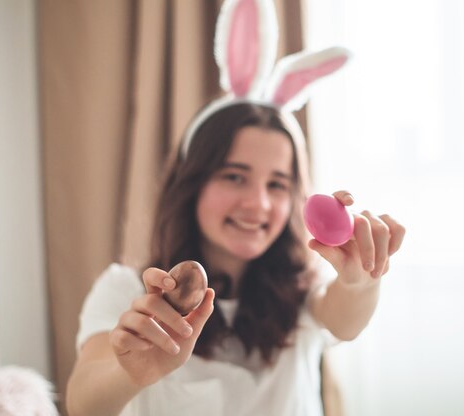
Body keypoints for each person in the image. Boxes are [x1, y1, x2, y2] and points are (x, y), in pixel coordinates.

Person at [66, 1, 405, 415]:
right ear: (192, 183)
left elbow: (344, 319)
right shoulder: (128, 292)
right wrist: (130, 374)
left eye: (278, 184)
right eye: (234, 176)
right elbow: (83, 404)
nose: (258, 204)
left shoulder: (301, 294)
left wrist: (360, 280)